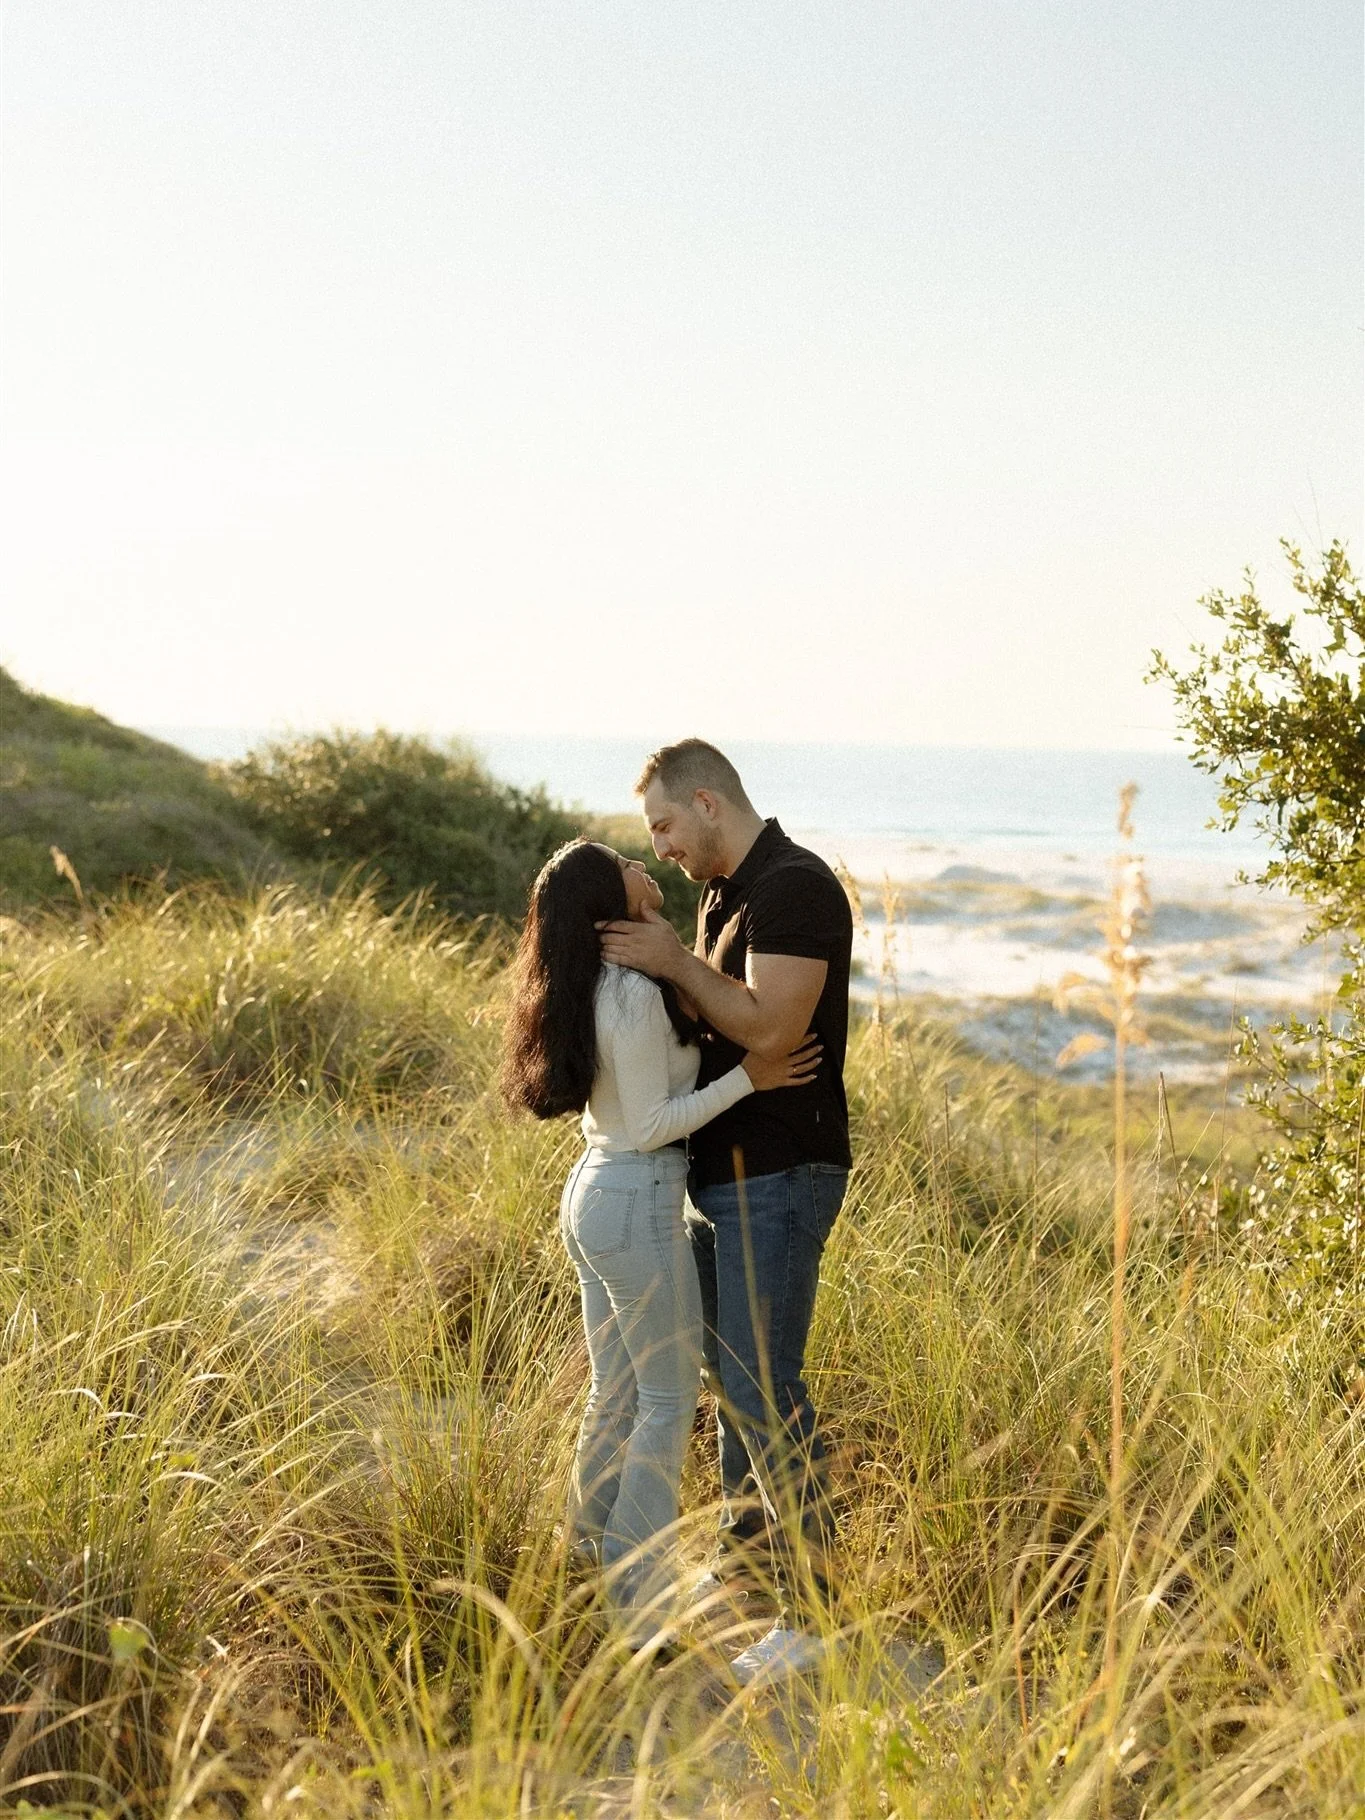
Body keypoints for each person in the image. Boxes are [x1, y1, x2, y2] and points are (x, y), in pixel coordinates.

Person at [500, 838, 820, 1641]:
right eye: (630, 866)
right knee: (668, 1402)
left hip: (594, 1195)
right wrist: (753, 1077)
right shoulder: (631, 997)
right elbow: (647, 1126)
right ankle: (639, 1611)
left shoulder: (593, 985)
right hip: (635, 1199)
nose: (648, 869)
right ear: (614, 899)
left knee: (616, 1392)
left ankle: (584, 1564)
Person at [598, 740, 853, 1684]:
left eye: (663, 825)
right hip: (726, 1173)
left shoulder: (795, 886)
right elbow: (723, 1024)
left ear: (707, 803)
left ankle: (812, 1615)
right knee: (729, 1379)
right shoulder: (722, 896)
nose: (659, 846)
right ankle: (746, 1566)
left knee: (763, 1388)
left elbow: (772, 1028)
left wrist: (672, 961)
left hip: (783, 1173)